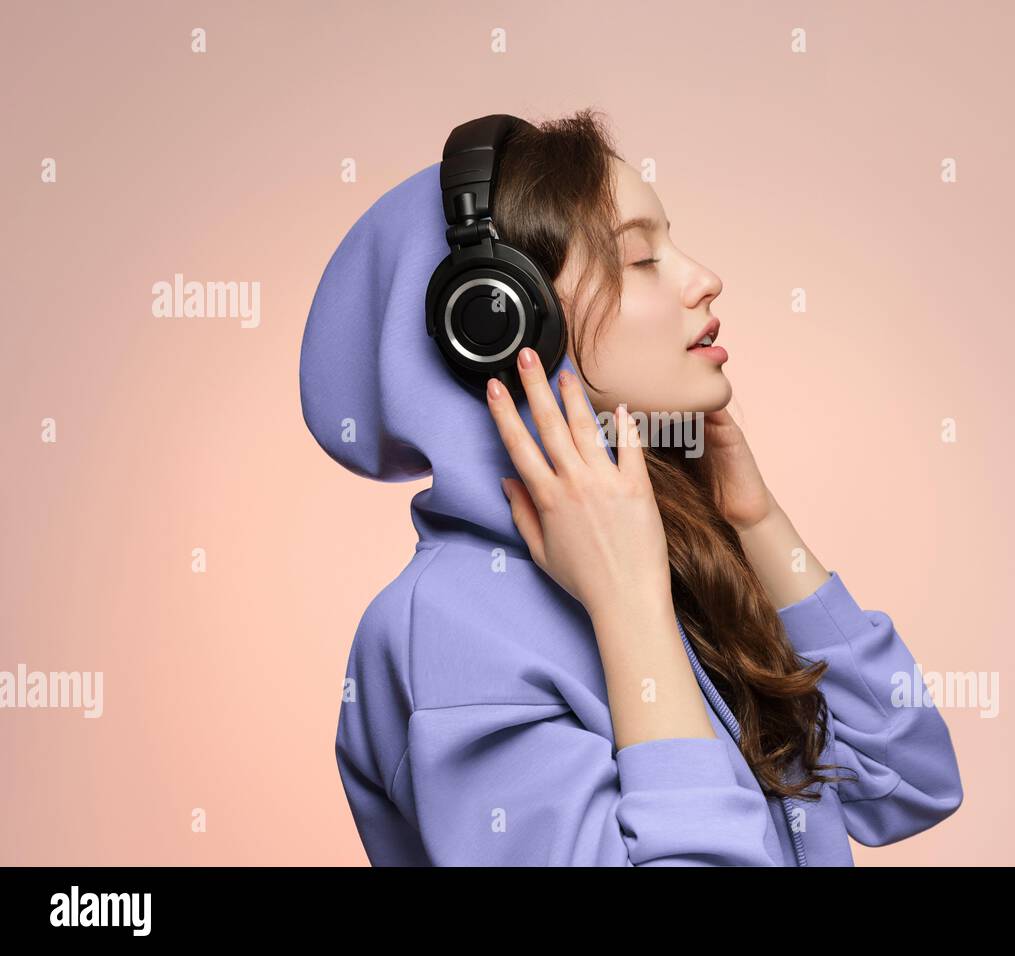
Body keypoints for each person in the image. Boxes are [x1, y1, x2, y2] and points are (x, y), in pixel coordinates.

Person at [299, 109, 963, 866]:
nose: (704, 280)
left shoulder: (660, 550)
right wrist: (630, 610)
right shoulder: (448, 632)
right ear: (504, 323)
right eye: (642, 259)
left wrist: (756, 520)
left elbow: (909, 779)